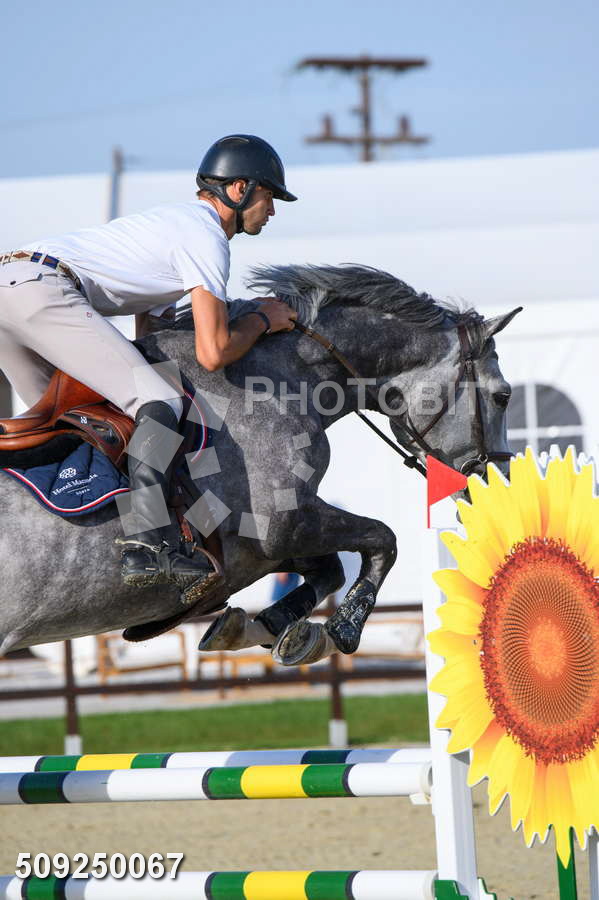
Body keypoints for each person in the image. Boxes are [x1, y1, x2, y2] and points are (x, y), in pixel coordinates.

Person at [0, 134, 298, 603]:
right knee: (159, 400)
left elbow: (152, 337)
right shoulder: (206, 236)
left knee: (75, 424)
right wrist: (263, 319)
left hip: (12, 287)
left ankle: (60, 546)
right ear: (239, 189)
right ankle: (147, 541)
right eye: (269, 196)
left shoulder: (174, 225)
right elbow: (214, 352)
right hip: (41, 288)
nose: (273, 210)